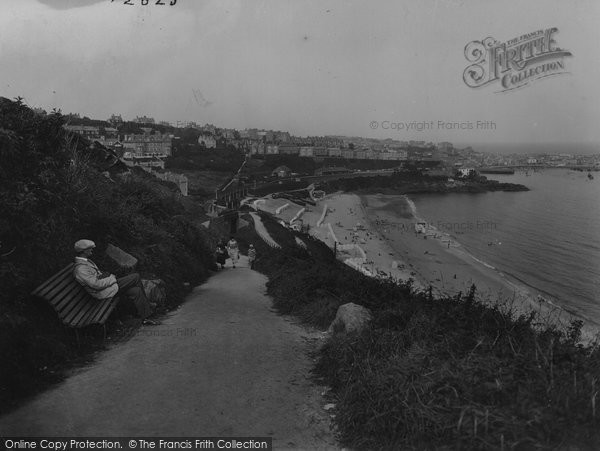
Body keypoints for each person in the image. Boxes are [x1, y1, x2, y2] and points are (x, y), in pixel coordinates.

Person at [72, 239, 157, 324]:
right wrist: (112, 278)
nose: (92, 249)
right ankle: (147, 305)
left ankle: (145, 317)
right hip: (102, 292)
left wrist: (107, 276)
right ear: (83, 251)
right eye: (89, 248)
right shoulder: (81, 268)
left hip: (106, 288)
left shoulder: (86, 262)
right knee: (135, 277)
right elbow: (95, 284)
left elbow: (97, 277)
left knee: (136, 291)